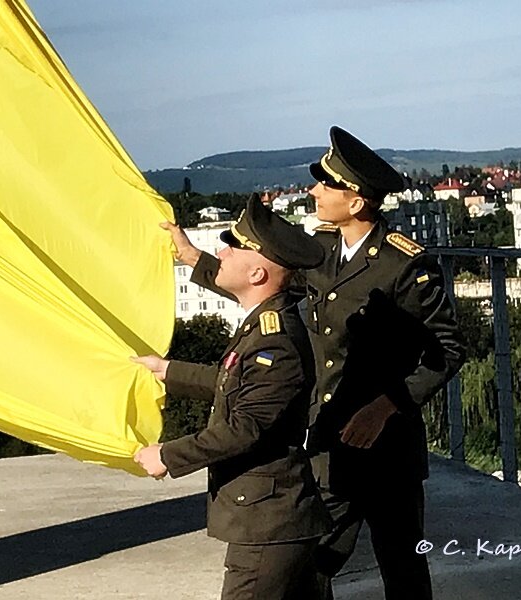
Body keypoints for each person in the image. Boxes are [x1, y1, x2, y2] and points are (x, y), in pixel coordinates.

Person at [164, 126, 466, 599]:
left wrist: (385, 406)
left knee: (403, 569)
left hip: (388, 451)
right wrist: (193, 259)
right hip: (328, 444)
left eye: (327, 185)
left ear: (357, 202)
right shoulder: (318, 251)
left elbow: (447, 350)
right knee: (312, 564)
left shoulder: (404, 264)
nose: (314, 192)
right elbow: (264, 281)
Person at [133, 195, 331, 600]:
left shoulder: (276, 342)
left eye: (234, 246)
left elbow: (245, 428)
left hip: (269, 526)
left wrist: (167, 456)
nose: (221, 252)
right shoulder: (264, 325)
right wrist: (166, 370)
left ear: (258, 272)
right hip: (276, 521)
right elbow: (233, 381)